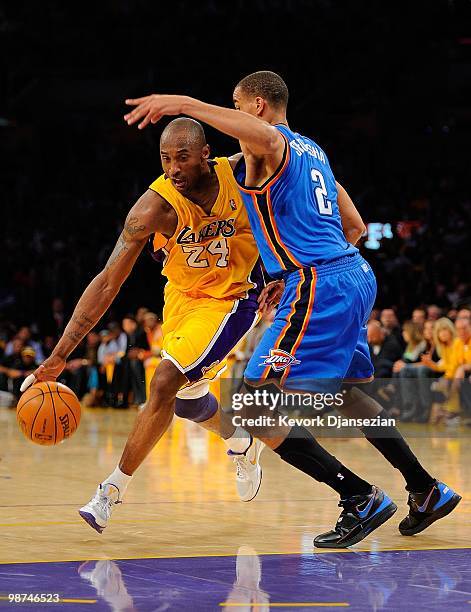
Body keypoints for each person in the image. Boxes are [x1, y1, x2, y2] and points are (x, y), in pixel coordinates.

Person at [123, 70, 461, 546]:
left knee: (256, 406)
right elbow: (357, 226)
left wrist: (180, 102)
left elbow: (261, 136)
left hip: (321, 282)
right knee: (344, 394)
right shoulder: (313, 152)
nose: (236, 118)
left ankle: (358, 497)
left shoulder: (271, 143)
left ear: (257, 106)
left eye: (237, 107)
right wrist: (297, 271)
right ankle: (426, 489)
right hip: (353, 274)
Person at [21, 119, 271, 534]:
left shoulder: (242, 174)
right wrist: (62, 353)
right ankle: (241, 441)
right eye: (166, 159)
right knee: (189, 401)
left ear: (205, 153)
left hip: (235, 297)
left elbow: (289, 209)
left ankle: (110, 492)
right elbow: (106, 282)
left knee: (164, 382)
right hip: (183, 299)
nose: (173, 168)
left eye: (183, 157)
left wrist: (289, 271)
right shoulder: (153, 209)